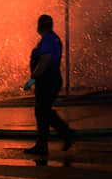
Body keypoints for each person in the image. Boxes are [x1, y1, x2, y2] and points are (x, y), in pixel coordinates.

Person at [23, 14, 76, 155]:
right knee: (41, 112)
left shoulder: (47, 40)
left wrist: (33, 78)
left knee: (43, 111)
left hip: (48, 80)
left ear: (40, 26)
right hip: (50, 79)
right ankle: (43, 144)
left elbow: (44, 61)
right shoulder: (53, 39)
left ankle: (66, 133)